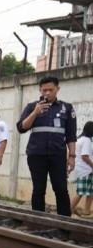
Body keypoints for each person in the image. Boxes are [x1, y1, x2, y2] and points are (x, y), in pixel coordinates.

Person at [16, 76, 77, 216]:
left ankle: (65, 223)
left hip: (58, 155)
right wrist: (35, 113)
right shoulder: (32, 107)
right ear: (40, 90)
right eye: (44, 90)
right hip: (36, 155)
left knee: (61, 188)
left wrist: (72, 156)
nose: (47, 93)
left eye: (51, 90)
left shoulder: (66, 108)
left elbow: (71, 135)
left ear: (57, 89)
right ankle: (38, 221)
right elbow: (21, 128)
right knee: (38, 189)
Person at [71, 122, 93, 216]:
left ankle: (86, 211)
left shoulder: (79, 139)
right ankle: (68, 210)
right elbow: (85, 156)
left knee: (90, 191)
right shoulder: (87, 140)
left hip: (82, 170)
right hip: (86, 170)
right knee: (81, 192)